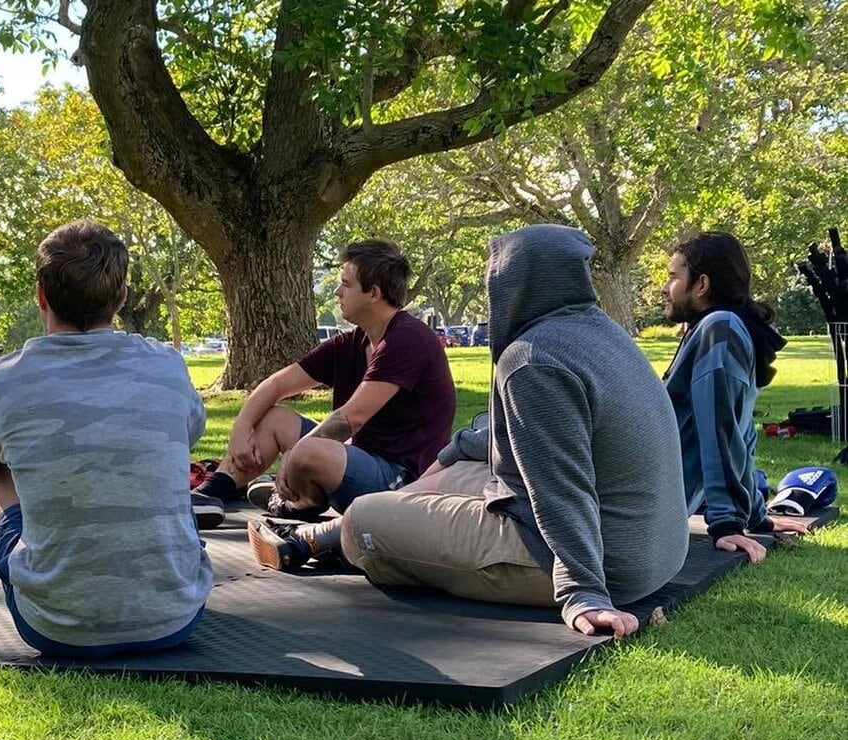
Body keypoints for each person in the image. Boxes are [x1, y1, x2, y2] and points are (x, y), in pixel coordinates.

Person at [256, 224, 689, 638]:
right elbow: (509, 434)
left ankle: (319, 538)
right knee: (457, 471)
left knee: (365, 517)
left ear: (515, 283)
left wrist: (583, 591)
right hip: (653, 550)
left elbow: (560, 484)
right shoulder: (601, 335)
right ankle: (349, 527)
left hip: (601, 563)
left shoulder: (532, 359)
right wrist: (450, 456)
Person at [0, 219, 212, 656]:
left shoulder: (1, 379)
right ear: (122, 296)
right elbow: (189, 434)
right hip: (177, 618)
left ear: (41, 295)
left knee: (0, 468)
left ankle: (61, 584)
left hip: (54, 628)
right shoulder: (168, 364)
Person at [191, 241, 455, 524]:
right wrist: (241, 429)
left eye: (346, 284)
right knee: (274, 419)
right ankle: (214, 491)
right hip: (357, 455)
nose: (337, 291)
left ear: (374, 294)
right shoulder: (351, 343)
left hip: (401, 479)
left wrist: (294, 457)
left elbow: (352, 417)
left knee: (308, 451)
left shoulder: (407, 339)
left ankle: (298, 502)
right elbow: (276, 385)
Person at [661, 231, 814, 559]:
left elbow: (720, 430)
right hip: (653, 502)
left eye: (673, 277)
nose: (664, 288)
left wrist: (728, 523)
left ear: (701, 285)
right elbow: (739, 432)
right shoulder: (718, 327)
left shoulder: (721, 329)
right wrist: (756, 515)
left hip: (642, 510)